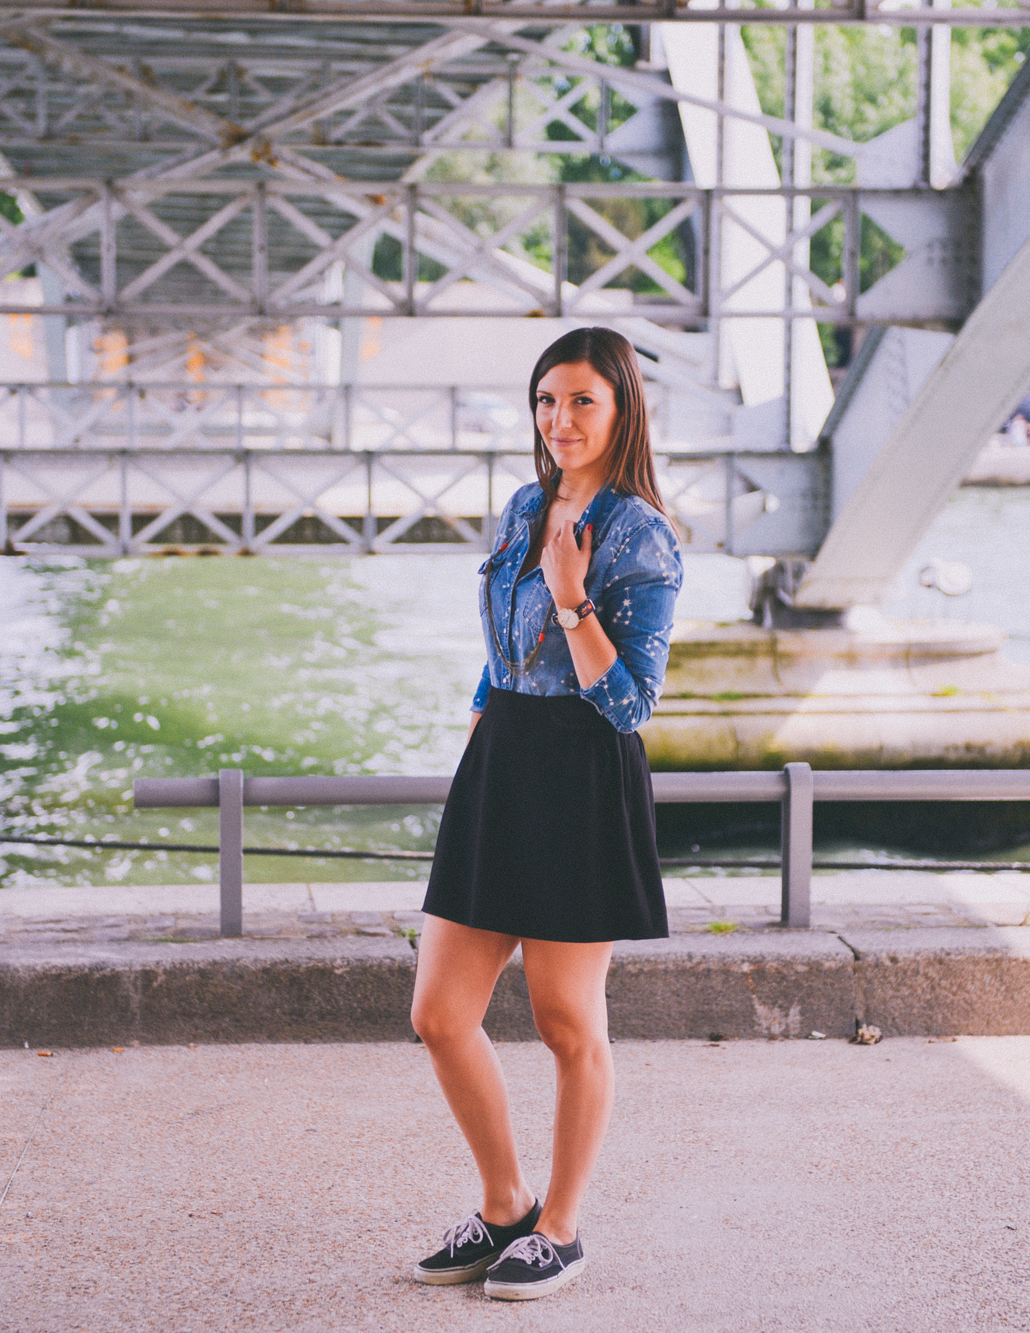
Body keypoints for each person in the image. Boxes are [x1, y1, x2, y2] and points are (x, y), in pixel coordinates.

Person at [409, 326, 683, 1303]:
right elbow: (497, 648)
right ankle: (505, 1207)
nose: (558, 420)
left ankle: (560, 1228)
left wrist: (573, 600)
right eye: (545, 400)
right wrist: (482, 727)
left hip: (579, 771)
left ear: (621, 410)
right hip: (504, 762)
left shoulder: (640, 535)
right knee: (440, 1014)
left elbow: (631, 706)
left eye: (580, 401)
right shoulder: (525, 507)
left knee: (567, 1021)